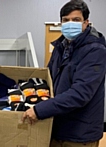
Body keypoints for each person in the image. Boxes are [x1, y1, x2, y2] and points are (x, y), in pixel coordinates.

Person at [22, 0, 106, 147]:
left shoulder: (95, 50)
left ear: (86, 23)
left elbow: (81, 94)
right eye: (66, 20)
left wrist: (39, 110)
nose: (70, 24)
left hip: (79, 134)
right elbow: (48, 79)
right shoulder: (61, 47)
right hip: (56, 127)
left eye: (76, 20)